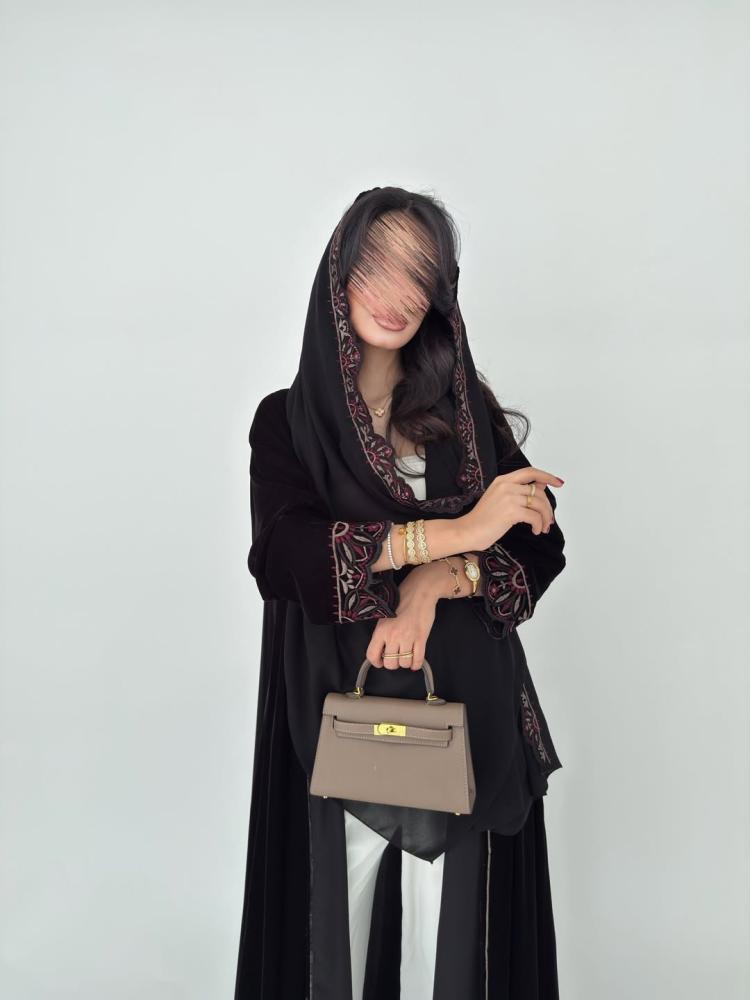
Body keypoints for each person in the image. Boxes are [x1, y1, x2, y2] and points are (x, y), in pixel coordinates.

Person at [234, 186, 567, 999]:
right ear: (339, 277)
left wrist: (430, 585)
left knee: (447, 953)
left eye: (419, 274)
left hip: (467, 715)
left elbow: (539, 547)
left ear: (440, 293)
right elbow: (287, 557)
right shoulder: (289, 425)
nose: (396, 293)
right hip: (340, 712)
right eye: (377, 267)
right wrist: (459, 532)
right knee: (331, 949)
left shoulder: (466, 422)